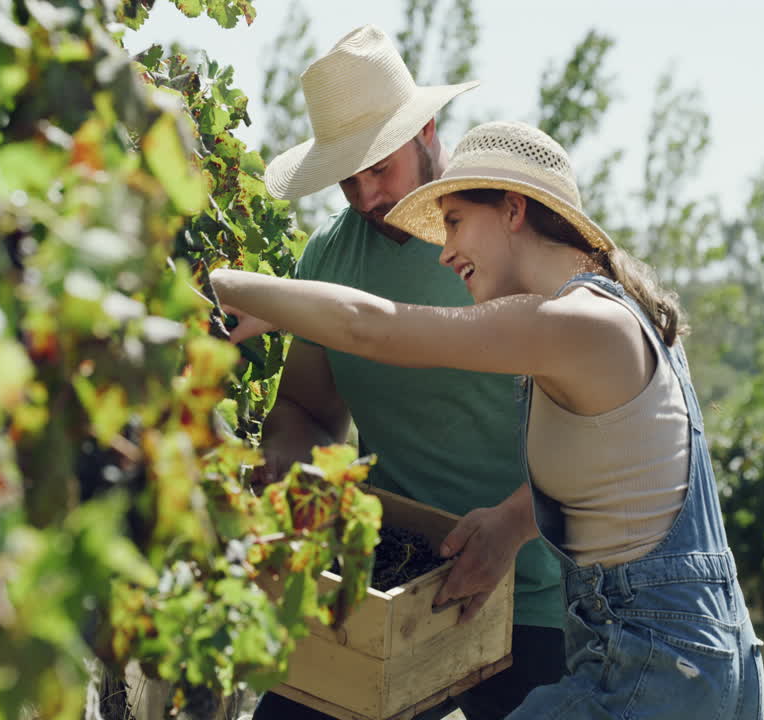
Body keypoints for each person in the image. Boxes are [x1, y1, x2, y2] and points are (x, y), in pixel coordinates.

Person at [212, 120, 764, 719]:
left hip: (654, 671)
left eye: (453, 222)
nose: (445, 251)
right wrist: (506, 520)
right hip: (691, 663)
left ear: (512, 210)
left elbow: (373, 328)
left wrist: (224, 285)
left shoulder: (580, 325)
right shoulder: (604, 315)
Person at [242, 24, 566, 720]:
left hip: (532, 592)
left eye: (378, 169)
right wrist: (291, 468)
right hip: (390, 581)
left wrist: (512, 526)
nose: (364, 195)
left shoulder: (503, 242)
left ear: (426, 130)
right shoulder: (327, 258)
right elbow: (306, 409)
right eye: (346, 177)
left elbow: (592, 425)